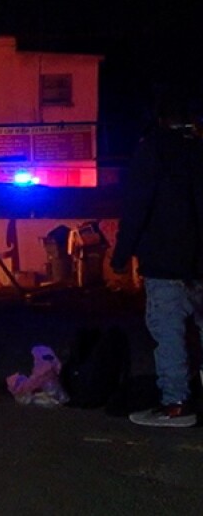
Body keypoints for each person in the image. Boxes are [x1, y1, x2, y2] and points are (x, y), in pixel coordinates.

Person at [112, 102, 203, 428]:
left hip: (166, 262)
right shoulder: (198, 150)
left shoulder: (153, 152)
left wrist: (121, 257)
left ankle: (176, 405)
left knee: (169, 334)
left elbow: (137, 207)